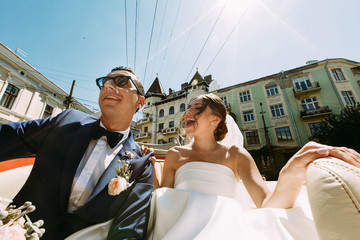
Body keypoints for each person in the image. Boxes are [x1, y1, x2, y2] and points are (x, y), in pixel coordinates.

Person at [147, 93, 360, 240]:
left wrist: (290, 171)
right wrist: (149, 170)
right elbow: (165, 198)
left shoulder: (236, 154)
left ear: (216, 119)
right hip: (179, 225)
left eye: (196, 108)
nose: (187, 114)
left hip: (227, 227)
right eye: (186, 109)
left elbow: (266, 204)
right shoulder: (176, 154)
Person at [0, 66, 154, 239]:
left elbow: (128, 231)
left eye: (121, 81)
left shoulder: (142, 165)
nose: (108, 85)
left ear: (140, 102)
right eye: (105, 82)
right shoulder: (66, 120)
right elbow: (8, 138)